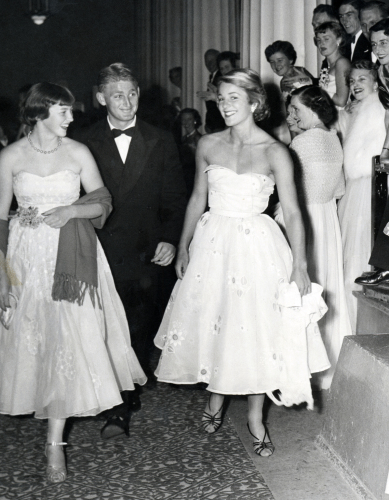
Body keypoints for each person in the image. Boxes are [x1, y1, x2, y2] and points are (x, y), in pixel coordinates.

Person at [154, 69, 330, 457]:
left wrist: (300, 265)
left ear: (254, 103)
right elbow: (197, 198)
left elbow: (295, 213)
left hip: (257, 248)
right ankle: (216, 395)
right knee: (217, 320)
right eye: (221, 98)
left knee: (255, 330)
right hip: (213, 245)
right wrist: (183, 246)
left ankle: (255, 417)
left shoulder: (275, 152)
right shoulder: (207, 144)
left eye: (234, 98)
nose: (225, 105)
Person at [0, 82, 147, 483]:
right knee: (36, 341)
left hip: (73, 260)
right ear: (40, 113)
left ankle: (54, 442)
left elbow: (103, 201)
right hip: (26, 259)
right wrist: (1, 276)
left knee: (67, 342)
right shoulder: (11, 156)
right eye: (64, 111)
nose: (72, 118)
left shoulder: (78, 152)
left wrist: (71, 212)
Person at [75, 63, 187, 437]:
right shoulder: (84, 141)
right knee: (108, 324)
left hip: (146, 250)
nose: (127, 102)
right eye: (118, 95)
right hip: (101, 246)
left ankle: (128, 387)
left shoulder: (160, 139)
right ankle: (119, 403)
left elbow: (176, 196)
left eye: (132, 93)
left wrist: (170, 238)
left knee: (138, 324)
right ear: (101, 98)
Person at [288, 85, 353, 389]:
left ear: (313, 108)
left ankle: (303, 365)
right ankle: (329, 365)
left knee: (303, 291)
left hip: (305, 218)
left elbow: (291, 191)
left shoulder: (301, 142)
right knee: (326, 286)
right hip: (327, 217)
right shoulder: (334, 138)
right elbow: (339, 189)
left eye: (296, 109)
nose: (292, 115)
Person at [337, 61, 385, 330]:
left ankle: (358, 324)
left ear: (376, 83)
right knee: (352, 253)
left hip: (367, 187)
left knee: (358, 253)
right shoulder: (359, 109)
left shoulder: (375, 107)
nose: (355, 85)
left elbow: (362, 160)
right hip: (357, 187)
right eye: (352, 80)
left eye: (362, 79)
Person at [355, 18, 389, 286]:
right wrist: (386, 149)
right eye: (375, 44)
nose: (378, 49)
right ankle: (384, 264)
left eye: (384, 43)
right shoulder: (382, 72)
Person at [316, 21, 351, 109]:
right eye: (319, 40)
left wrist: (316, 91)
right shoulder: (327, 64)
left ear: (338, 40)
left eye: (326, 39)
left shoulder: (342, 63)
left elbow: (341, 101)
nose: (321, 43)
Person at [196, 49, 226, 133]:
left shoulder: (221, 76)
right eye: (207, 61)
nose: (209, 64)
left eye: (212, 60)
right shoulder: (213, 76)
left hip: (220, 126)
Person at [179, 108, 202, 197]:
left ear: (195, 121)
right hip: (185, 177)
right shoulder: (184, 138)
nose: (186, 122)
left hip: (194, 178)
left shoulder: (198, 139)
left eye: (189, 119)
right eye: (183, 119)